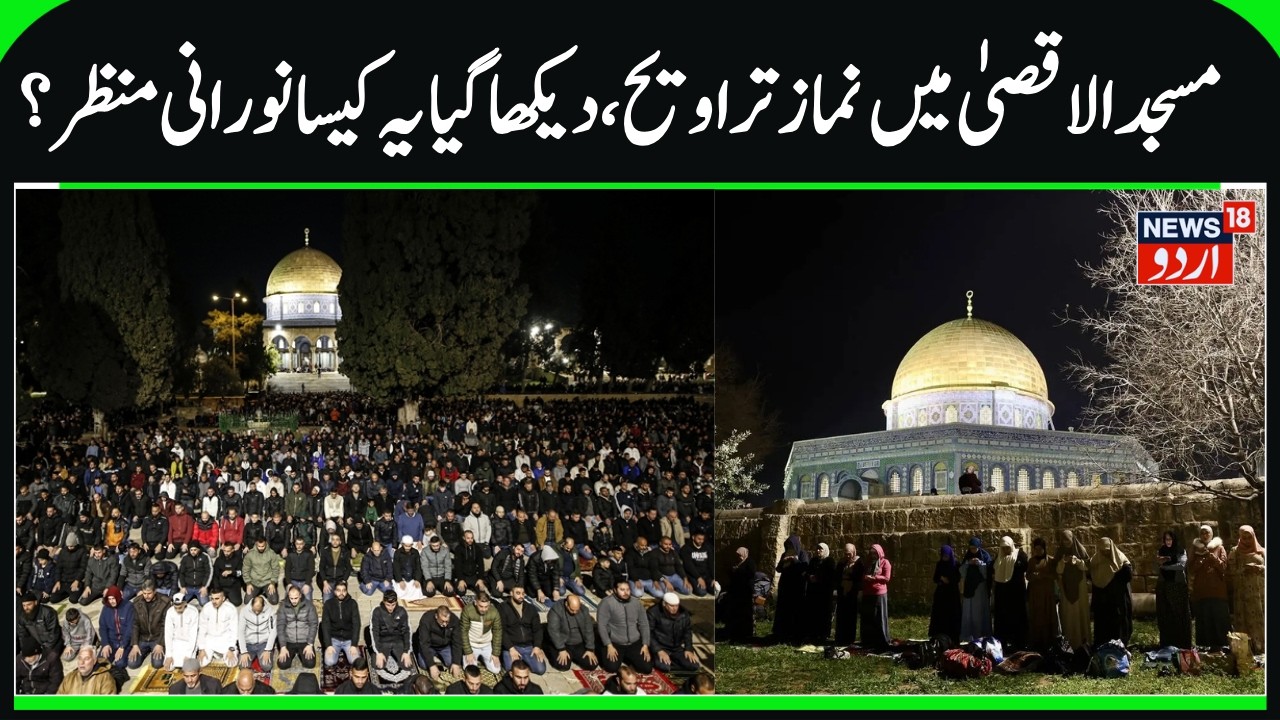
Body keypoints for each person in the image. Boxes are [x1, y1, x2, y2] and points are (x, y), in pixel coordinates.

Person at [596, 576, 653, 673]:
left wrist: (645, 644)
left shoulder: (636, 603)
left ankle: (626, 657)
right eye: (622, 590)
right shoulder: (606, 603)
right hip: (615, 642)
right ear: (614, 590)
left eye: (627, 589)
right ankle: (601, 649)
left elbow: (644, 624)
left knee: (646, 669)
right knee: (611, 668)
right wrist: (608, 645)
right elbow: (602, 625)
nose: (626, 592)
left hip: (634, 642)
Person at [1188, 524, 1230, 649]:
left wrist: (1213, 558)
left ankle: (1222, 644)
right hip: (1201, 591)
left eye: (1207, 533)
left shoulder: (1219, 548)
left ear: (1211, 534)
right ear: (1199, 536)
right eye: (1202, 533)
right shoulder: (1195, 549)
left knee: (1219, 617)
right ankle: (1204, 645)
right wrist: (1199, 563)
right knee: (1204, 618)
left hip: (1217, 591)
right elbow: (1190, 568)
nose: (1205, 535)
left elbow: (1223, 567)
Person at [1228, 524, 1265, 654]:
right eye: (1244, 538)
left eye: (1249, 537)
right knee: (1244, 620)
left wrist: (1260, 568)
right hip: (1243, 594)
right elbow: (1231, 571)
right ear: (1240, 537)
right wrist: (1244, 569)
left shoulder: (1262, 551)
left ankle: (1261, 646)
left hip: (1259, 593)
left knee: (1260, 619)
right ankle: (1246, 649)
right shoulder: (1235, 552)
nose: (1247, 540)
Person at [1089, 536, 1133, 646]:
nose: (1105, 553)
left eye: (1107, 551)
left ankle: (1119, 647)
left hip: (1117, 601)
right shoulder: (1095, 561)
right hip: (1103, 603)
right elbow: (1092, 576)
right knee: (1103, 628)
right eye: (1102, 551)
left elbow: (1128, 576)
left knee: (1118, 626)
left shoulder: (1121, 560)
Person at [1054, 529, 1092, 651]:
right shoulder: (1060, 552)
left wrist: (1078, 562)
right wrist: (1062, 562)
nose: (1066, 543)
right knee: (1068, 616)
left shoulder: (1080, 550)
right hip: (1065, 587)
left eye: (1068, 540)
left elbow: (1087, 566)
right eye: (1064, 540)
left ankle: (1083, 643)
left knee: (1081, 614)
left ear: (1072, 539)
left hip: (1080, 586)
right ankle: (1069, 644)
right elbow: (1057, 571)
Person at [497, 585, 547, 674]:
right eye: (518, 593)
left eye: (523, 594)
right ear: (511, 593)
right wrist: (510, 648)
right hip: (512, 646)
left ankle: (524, 660)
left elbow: (538, 629)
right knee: (510, 669)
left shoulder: (530, 608)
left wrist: (537, 646)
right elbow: (501, 630)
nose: (521, 596)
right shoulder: (503, 608)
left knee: (540, 670)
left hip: (529, 646)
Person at [992, 536, 1029, 652]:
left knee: (1017, 619)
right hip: (1003, 595)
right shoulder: (999, 558)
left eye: (1007, 548)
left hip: (1016, 594)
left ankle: (1019, 643)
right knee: (1003, 620)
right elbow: (993, 569)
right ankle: (1002, 643)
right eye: (1003, 548)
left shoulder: (1020, 555)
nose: (1006, 550)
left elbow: (1024, 566)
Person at [648, 592, 700, 671]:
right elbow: (648, 633)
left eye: (676, 605)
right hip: (660, 647)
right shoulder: (653, 612)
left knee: (694, 665)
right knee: (664, 667)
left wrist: (688, 649)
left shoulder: (684, 614)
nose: (675, 608)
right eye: (671, 606)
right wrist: (658, 650)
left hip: (676, 648)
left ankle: (671, 661)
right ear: (664, 604)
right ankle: (663, 661)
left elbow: (687, 632)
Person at [546, 593, 599, 671]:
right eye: (572, 609)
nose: (574, 612)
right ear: (566, 604)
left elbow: (588, 630)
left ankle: (573, 656)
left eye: (576, 610)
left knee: (592, 664)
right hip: (563, 642)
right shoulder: (556, 610)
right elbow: (554, 631)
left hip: (578, 643)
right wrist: (561, 649)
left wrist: (590, 649)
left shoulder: (584, 610)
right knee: (563, 666)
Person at [772, 535, 809, 645]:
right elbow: (778, 569)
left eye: (791, 545)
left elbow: (804, 567)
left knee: (796, 611)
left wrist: (794, 560)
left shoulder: (802, 554)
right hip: (785, 587)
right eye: (788, 545)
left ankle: (795, 634)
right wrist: (784, 561)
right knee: (784, 611)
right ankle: (782, 633)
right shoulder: (785, 554)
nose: (789, 547)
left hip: (796, 587)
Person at [1025, 537, 1060, 651]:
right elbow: (1028, 575)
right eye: (1036, 549)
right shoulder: (1031, 561)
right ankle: (1036, 641)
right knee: (1036, 617)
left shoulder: (1050, 560)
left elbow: (1055, 575)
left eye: (1040, 549)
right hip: (1035, 594)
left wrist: (1043, 576)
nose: (1038, 551)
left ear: (1044, 549)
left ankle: (1049, 641)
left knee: (1048, 616)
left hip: (1047, 594)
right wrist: (1034, 576)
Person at [369, 589, 415, 674]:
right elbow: (374, 631)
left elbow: (407, 631)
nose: (390, 608)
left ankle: (395, 653)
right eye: (388, 605)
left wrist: (406, 651)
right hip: (383, 640)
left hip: (397, 640)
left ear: (396, 602)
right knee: (378, 666)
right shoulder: (376, 611)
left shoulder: (402, 611)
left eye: (393, 605)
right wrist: (378, 652)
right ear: (383, 601)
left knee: (408, 666)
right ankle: (380, 654)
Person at [416, 604, 464, 681]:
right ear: (436, 616)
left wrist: (456, 663)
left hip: (445, 646)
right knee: (424, 665)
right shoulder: (426, 619)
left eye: (447, 622)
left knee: (451, 663)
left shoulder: (454, 620)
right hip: (430, 646)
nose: (445, 624)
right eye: (442, 621)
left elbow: (457, 642)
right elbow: (424, 644)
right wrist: (431, 665)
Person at [276, 584, 319, 669]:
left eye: (296, 598)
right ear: (288, 596)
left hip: (304, 640)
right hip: (289, 640)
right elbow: (280, 626)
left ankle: (301, 653)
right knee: (283, 665)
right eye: (291, 598)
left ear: (300, 595)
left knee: (310, 664)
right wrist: (283, 647)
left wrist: (310, 644)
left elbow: (313, 624)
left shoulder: (309, 606)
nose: (293, 601)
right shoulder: (283, 606)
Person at [460, 590, 504, 674]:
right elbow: (463, 632)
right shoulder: (467, 610)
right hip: (472, 644)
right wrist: (468, 652)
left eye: (486, 606)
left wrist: (495, 653)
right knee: (470, 671)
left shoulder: (494, 612)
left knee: (496, 669)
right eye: (481, 606)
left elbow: (497, 632)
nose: (484, 609)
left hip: (486, 645)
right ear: (475, 602)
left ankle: (482, 658)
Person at [321, 580, 362, 667]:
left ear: (346, 591)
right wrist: (328, 645)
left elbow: (356, 624)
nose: (341, 593)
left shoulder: (352, 603)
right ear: (335, 591)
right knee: (329, 662)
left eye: (344, 590)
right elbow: (325, 625)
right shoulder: (328, 604)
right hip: (334, 639)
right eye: (339, 590)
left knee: (355, 661)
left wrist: (354, 644)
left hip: (348, 640)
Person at [959, 537, 992, 642]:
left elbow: (988, 572)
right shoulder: (968, 556)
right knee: (969, 611)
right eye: (971, 548)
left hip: (980, 589)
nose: (973, 550)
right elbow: (962, 571)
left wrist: (980, 564)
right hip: (969, 589)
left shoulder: (985, 556)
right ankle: (969, 635)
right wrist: (968, 564)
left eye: (975, 548)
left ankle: (981, 635)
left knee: (979, 611)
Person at [859, 543, 892, 651]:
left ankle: (882, 640)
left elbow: (886, 578)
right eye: (871, 553)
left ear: (879, 553)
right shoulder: (868, 563)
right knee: (869, 618)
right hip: (868, 593)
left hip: (879, 593)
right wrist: (865, 577)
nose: (873, 555)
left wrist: (874, 578)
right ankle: (869, 641)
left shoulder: (885, 563)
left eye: (875, 553)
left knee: (879, 617)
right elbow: (863, 574)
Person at [196, 587, 239, 666]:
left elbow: (234, 630)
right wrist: (201, 648)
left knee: (231, 664)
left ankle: (220, 655)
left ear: (223, 598)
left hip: (225, 640)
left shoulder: (231, 609)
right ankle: (215, 655)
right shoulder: (206, 608)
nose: (214, 601)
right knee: (200, 663)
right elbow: (202, 629)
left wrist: (231, 648)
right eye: (212, 598)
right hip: (209, 640)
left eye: (217, 598)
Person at [804, 542, 837, 643]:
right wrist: (810, 577)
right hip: (813, 592)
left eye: (820, 549)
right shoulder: (813, 560)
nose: (818, 551)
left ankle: (823, 634)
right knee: (813, 613)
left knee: (824, 614)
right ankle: (813, 633)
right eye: (817, 549)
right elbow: (807, 572)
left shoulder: (830, 561)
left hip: (824, 593)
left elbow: (830, 576)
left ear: (825, 550)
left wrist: (818, 578)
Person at [723, 546, 756, 644]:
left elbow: (751, 573)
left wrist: (738, 571)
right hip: (737, 592)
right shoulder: (737, 562)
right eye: (738, 555)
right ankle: (736, 632)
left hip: (745, 591)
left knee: (745, 613)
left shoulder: (750, 562)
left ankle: (746, 633)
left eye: (740, 555)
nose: (739, 557)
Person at [928, 545, 961, 643]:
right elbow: (935, 578)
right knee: (940, 615)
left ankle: (953, 637)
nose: (945, 558)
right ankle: (940, 637)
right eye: (943, 556)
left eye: (946, 556)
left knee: (952, 615)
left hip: (952, 594)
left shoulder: (956, 564)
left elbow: (957, 578)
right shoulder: (940, 564)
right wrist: (941, 579)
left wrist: (949, 580)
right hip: (941, 594)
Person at [98, 586, 135, 671]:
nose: (111, 601)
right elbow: (103, 627)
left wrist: (122, 646)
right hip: (111, 641)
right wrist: (105, 644)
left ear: (118, 597)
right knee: (101, 663)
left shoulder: (128, 606)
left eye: (113, 598)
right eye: (109, 599)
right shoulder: (106, 609)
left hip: (125, 642)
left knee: (120, 663)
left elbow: (130, 628)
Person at [238, 593, 277, 672]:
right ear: (251, 605)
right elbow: (240, 632)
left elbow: (273, 631)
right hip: (248, 644)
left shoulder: (271, 611)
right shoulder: (244, 611)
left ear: (263, 606)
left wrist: (268, 650)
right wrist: (243, 651)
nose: (256, 612)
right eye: (254, 610)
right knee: (243, 666)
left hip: (263, 644)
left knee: (267, 666)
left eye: (259, 610)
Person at [163, 592, 201, 670]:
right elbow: (168, 633)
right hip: (175, 642)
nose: (177, 610)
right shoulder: (170, 612)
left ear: (185, 604)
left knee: (189, 668)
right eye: (175, 608)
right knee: (168, 668)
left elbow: (193, 634)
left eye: (180, 608)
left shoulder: (193, 612)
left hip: (189, 643)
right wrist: (169, 655)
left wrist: (188, 655)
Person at [242, 536, 280, 605]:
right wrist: (248, 583)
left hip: (267, 582)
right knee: (247, 602)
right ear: (256, 544)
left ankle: (263, 592)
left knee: (274, 601)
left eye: (263, 546)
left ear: (266, 544)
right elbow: (245, 570)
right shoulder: (250, 554)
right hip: (254, 582)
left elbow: (276, 569)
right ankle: (260, 592)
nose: (261, 548)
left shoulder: (271, 554)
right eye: (259, 546)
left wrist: (272, 583)